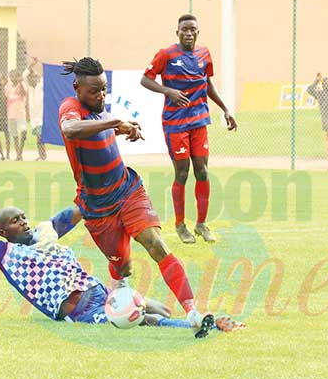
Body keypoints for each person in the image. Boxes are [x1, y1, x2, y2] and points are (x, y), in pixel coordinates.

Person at [0, 147, 245, 332]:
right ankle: (200, 325)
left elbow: (84, 206)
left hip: (100, 291)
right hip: (81, 310)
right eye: (14, 220)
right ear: (3, 232)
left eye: (22, 215)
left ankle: (187, 319)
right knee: (139, 320)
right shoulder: (4, 253)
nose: (23, 221)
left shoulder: (47, 230)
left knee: (159, 307)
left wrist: (110, 184)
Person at [59, 57, 239, 338]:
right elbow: (70, 130)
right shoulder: (70, 108)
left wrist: (126, 127)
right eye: (94, 91)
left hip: (127, 190)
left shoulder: (100, 111)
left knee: (155, 244)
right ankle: (121, 297)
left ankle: (193, 312)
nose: (100, 95)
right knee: (122, 264)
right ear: (77, 88)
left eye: (103, 89)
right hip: (97, 206)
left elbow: (105, 125)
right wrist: (116, 122)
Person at [140, 14, 238, 244]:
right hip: (175, 124)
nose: (188, 33)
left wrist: (225, 109)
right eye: (184, 29)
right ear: (177, 32)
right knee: (182, 173)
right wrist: (168, 91)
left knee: (202, 171)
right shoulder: (166, 54)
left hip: (199, 121)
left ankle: (202, 224)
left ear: (197, 31)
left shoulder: (204, 54)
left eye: (192, 29)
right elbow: (145, 79)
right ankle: (180, 224)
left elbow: (208, 84)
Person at [5, 68, 29, 161]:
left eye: (15, 75)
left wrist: (20, 83)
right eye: (11, 76)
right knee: (15, 135)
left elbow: (23, 94)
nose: (12, 77)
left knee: (23, 132)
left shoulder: (22, 85)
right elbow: (8, 97)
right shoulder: (8, 86)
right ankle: (18, 154)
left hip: (20, 113)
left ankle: (20, 152)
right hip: (11, 114)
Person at [25, 57, 46, 161]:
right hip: (34, 117)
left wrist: (37, 67)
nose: (32, 79)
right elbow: (25, 75)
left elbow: (42, 77)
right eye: (31, 77)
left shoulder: (40, 86)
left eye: (34, 77)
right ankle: (42, 155)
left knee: (39, 136)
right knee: (38, 137)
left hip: (41, 116)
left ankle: (42, 155)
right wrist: (32, 65)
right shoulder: (29, 87)